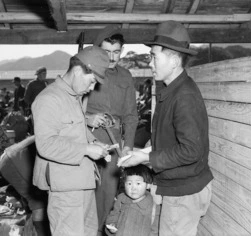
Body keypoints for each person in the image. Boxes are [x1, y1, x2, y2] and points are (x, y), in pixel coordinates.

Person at [120, 21, 214, 236]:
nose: (150, 63)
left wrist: (146, 159)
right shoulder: (171, 89)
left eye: (154, 56)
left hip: (184, 193)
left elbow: (191, 150)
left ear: (173, 60)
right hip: (176, 188)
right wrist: (143, 151)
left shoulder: (184, 96)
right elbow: (170, 138)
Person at [31, 46, 110, 235]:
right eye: (91, 82)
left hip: (82, 180)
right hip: (65, 187)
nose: (92, 88)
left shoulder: (73, 96)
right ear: (77, 71)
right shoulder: (49, 99)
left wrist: (92, 142)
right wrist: (86, 149)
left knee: (90, 231)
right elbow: (46, 144)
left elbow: (74, 128)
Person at [85, 25, 138, 234]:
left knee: (107, 196)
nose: (112, 57)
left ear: (122, 51)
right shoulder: (85, 73)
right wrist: (88, 119)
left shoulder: (125, 76)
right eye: (106, 51)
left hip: (113, 142)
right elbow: (68, 111)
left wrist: (129, 146)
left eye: (116, 51)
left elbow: (132, 116)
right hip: (87, 139)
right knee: (86, 195)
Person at [0, 135, 50, 236]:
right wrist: (13, 150)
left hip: (19, 159)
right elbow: (38, 135)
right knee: (39, 201)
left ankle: (30, 230)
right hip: (15, 161)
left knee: (40, 201)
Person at [105, 165, 160, 236]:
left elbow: (155, 231)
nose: (133, 188)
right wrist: (112, 225)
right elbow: (113, 215)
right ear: (124, 184)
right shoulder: (121, 200)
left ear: (148, 185)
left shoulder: (154, 208)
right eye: (129, 183)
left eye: (138, 183)